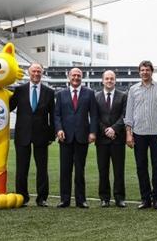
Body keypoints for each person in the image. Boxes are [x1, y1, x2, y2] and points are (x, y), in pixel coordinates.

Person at [125, 60, 157, 210]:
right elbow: (129, 113)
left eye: (147, 70)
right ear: (139, 72)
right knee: (141, 167)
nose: (144, 72)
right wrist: (129, 134)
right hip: (139, 133)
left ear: (152, 71)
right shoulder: (133, 90)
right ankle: (145, 199)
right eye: (142, 70)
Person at [10, 62, 55, 207]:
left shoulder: (49, 92)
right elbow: (9, 107)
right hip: (22, 135)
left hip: (41, 136)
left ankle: (42, 198)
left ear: (42, 73)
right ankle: (22, 197)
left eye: (39, 71)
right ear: (29, 73)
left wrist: (51, 135)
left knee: (42, 168)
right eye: (33, 71)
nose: (36, 74)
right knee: (22, 168)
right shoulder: (19, 90)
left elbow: (52, 116)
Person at [54, 68, 98, 208]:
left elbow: (94, 115)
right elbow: (57, 115)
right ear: (68, 77)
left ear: (82, 77)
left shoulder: (89, 93)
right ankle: (64, 200)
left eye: (78, 75)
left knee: (80, 170)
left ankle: (81, 200)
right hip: (65, 137)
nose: (76, 77)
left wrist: (92, 132)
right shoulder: (61, 94)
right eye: (73, 75)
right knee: (65, 170)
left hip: (82, 137)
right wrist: (59, 129)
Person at [95, 70, 127, 208]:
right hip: (102, 140)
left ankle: (119, 197)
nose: (109, 81)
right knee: (103, 170)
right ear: (102, 80)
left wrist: (114, 128)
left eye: (111, 78)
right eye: (107, 78)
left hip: (118, 138)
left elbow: (125, 115)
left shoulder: (123, 96)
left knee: (119, 170)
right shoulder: (95, 97)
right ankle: (104, 197)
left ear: (115, 80)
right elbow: (94, 117)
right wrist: (105, 130)